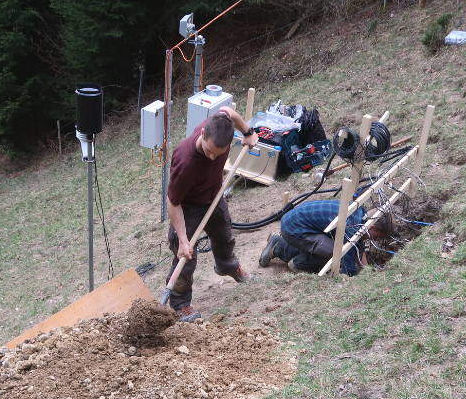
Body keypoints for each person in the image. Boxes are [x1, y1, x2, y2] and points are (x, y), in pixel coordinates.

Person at [166, 106, 259, 322]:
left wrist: (247, 132)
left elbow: (228, 111)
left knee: (224, 235)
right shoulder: (185, 160)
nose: (211, 157)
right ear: (202, 134)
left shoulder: (222, 125)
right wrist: (182, 240)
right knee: (186, 257)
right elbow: (173, 203)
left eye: (217, 154)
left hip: (213, 196)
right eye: (208, 151)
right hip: (187, 209)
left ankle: (227, 266)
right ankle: (179, 304)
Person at [259, 200, 390, 275]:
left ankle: (279, 246)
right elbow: (347, 261)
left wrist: (366, 269)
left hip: (295, 221)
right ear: (372, 228)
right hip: (293, 229)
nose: (375, 240)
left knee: (325, 245)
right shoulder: (352, 228)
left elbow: (358, 246)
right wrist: (353, 274)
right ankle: (300, 263)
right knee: (336, 254)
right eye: (376, 237)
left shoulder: (360, 214)